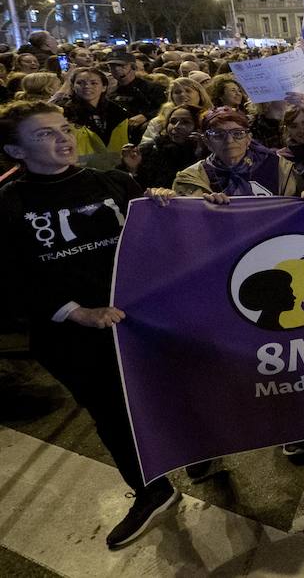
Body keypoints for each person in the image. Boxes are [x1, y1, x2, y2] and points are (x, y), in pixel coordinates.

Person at [0, 100, 184, 549]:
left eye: (64, 128)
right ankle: (151, 489)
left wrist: (169, 206)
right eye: (44, 134)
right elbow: (10, 278)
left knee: (173, 394)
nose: (63, 138)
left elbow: (162, 242)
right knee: (112, 414)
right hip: (72, 338)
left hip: (142, 323)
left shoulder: (115, 182)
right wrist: (75, 312)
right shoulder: (9, 204)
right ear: (15, 151)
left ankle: (197, 452)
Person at [170, 107, 304, 199]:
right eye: (218, 134)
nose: (229, 140)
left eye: (238, 133)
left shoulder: (279, 167)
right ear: (207, 141)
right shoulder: (191, 178)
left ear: (248, 139)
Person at [53, 67, 132, 168]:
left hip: (114, 172)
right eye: (80, 83)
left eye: (94, 83)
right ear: (72, 87)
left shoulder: (118, 112)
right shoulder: (64, 113)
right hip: (80, 172)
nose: (87, 86)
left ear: (104, 87)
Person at [118, 103, 204, 189]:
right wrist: (133, 168)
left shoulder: (208, 153)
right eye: (173, 121)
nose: (176, 126)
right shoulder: (151, 150)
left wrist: (199, 153)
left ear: (198, 127)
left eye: (185, 122)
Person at [105, 51, 166, 135]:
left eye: (121, 66)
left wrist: (145, 116)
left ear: (133, 67)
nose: (116, 69)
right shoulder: (108, 90)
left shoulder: (152, 88)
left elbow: (163, 108)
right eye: (112, 67)